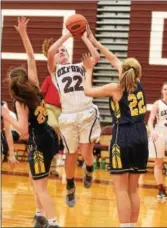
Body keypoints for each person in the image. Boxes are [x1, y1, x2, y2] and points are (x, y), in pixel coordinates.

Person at [82, 31, 149, 227]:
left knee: (120, 189)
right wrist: (93, 42)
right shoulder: (138, 83)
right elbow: (113, 59)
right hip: (141, 135)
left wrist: (88, 70)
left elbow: (88, 91)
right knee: (133, 189)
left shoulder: (116, 88)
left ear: (123, 71)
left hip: (123, 136)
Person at [1, 17, 60, 227]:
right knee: (35, 179)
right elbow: (31, 58)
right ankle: (40, 215)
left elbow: (24, 131)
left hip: (38, 141)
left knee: (40, 186)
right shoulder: (34, 86)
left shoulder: (19, 102)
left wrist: (8, 117)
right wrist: (24, 34)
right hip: (50, 136)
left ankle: (52, 222)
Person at [46, 28, 101, 207]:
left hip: (86, 111)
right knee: (71, 153)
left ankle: (90, 167)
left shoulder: (80, 65)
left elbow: (96, 57)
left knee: (85, 152)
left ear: (69, 55)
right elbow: (50, 51)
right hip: (68, 115)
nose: (61, 52)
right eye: (59, 51)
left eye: (64, 50)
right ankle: (70, 185)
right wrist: (68, 35)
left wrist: (85, 38)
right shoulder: (55, 70)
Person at [41, 74, 63, 176]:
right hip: (48, 107)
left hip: (62, 110)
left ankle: (52, 168)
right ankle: (60, 137)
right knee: (54, 126)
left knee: (54, 141)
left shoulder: (67, 78)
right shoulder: (49, 78)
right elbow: (41, 93)